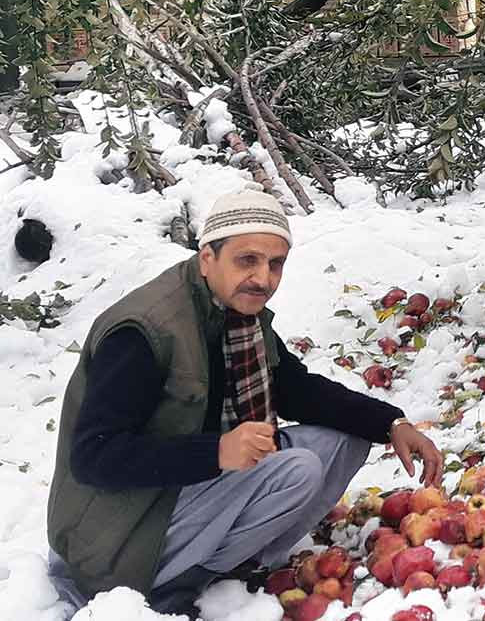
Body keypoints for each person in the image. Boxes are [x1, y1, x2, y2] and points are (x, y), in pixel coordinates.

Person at [46, 184, 444, 617]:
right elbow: (93, 456)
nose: (263, 278)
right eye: (247, 260)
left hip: (185, 490)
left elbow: (293, 387)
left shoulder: (235, 311)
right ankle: (175, 584)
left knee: (345, 439)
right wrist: (216, 452)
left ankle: (237, 565)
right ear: (207, 257)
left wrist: (391, 423)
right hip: (110, 536)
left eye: (275, 264)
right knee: (295, 470)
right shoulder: (144, 331)